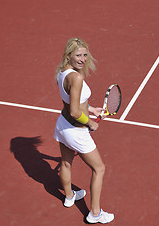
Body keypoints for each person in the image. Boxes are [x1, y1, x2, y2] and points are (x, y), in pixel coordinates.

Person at [54, 38, 114, 224]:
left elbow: (73, 103)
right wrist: (90, 123)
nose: (82, 59)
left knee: (65, 163)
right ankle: (95, 213)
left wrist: (92, 109)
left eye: (85, 55)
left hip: (62, 126)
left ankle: (70, 196)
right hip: (76, 131)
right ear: (68, 55)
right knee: (99, 169)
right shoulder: (77, 78)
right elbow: (74, 111)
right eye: (78, 55)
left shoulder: (62, 73)